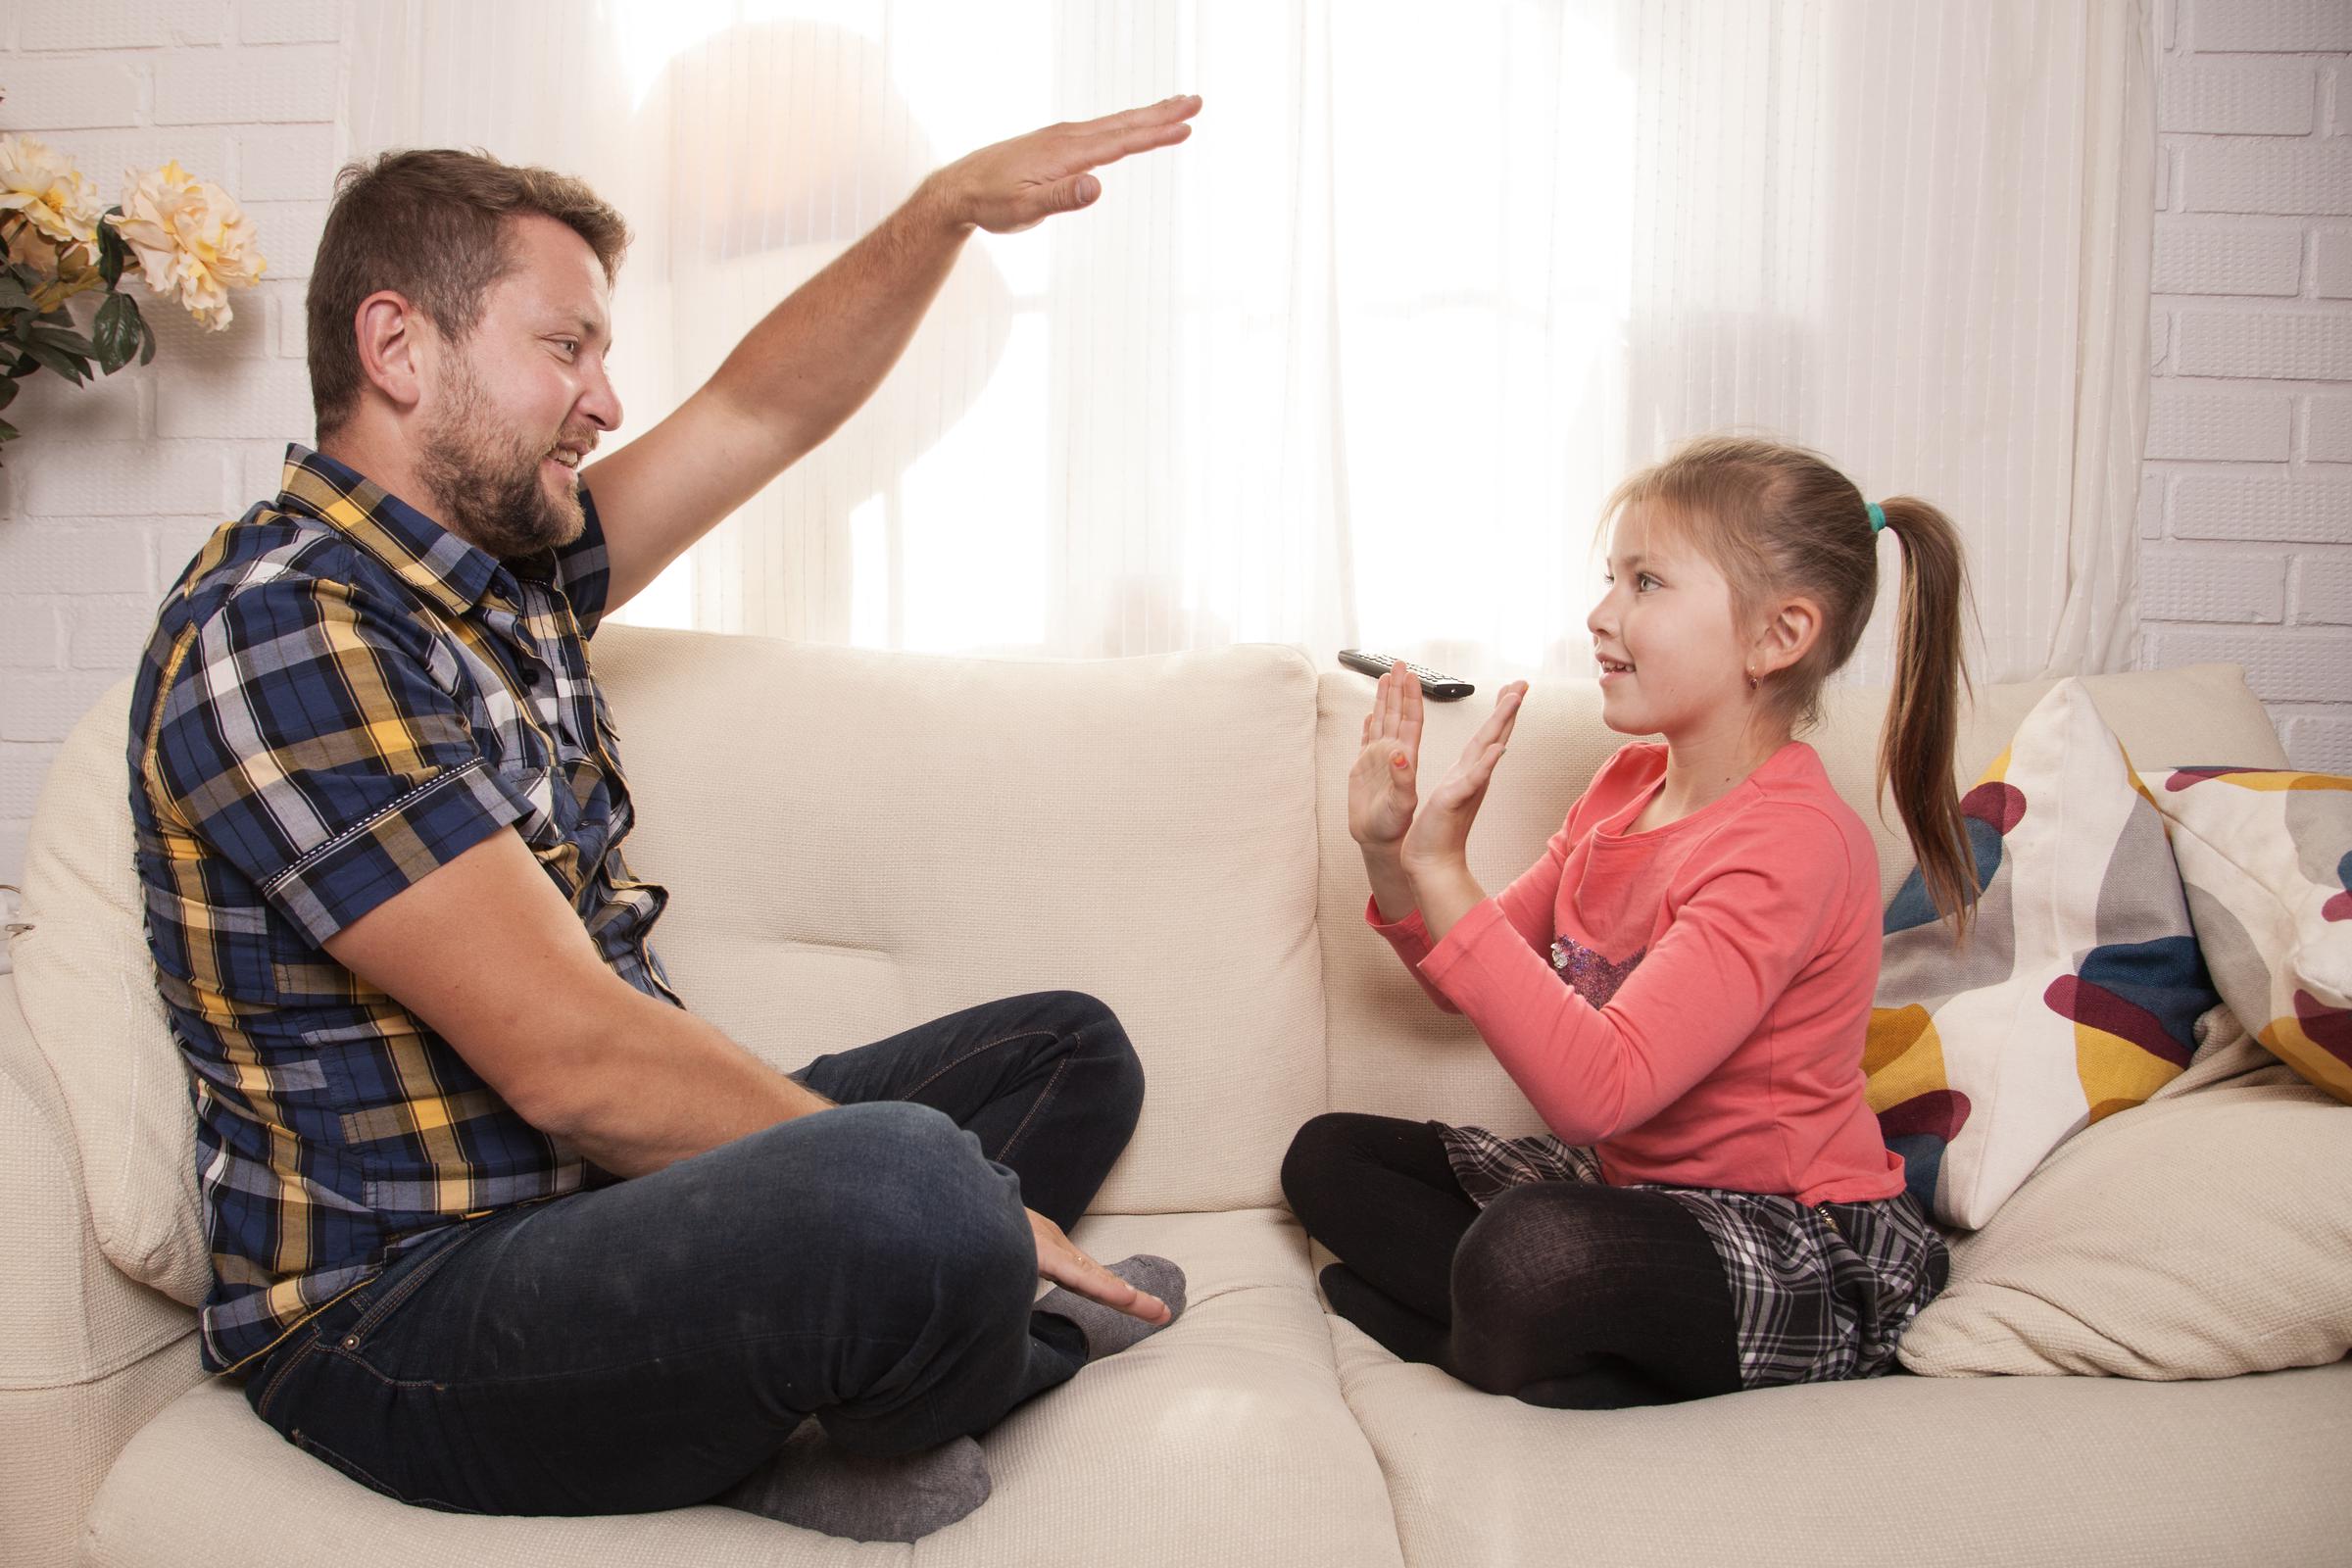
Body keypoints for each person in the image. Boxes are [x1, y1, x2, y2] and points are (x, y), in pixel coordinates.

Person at [127, 96, 1201, 1540]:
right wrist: (908, 1188)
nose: (607, 399)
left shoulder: (498, 577)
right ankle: (935, 1361)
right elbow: (573, 1061)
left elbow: (761, 409)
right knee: (916, 1192)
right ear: (397, 349)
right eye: (565, 347)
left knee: (1068, 1051)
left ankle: (865, 1377)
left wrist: (941, 208)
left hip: (586, 1208)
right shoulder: (286, 634)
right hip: (406, 1311)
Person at [1283, 435, 1965, 1410]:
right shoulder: (1626, 786)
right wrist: (1396, 856)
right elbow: (1457, 981)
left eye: (1646, 583)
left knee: (1533, 1255)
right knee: (1328, 1156)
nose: (1601, 614)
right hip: (1633, 1197)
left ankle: (1477, 1336)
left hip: (1791, 1236)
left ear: (1779, 636)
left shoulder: (1794, 843)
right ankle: (1516, 1346)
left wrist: (1445, 870)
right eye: (1611, 579)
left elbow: (1595, 1091)